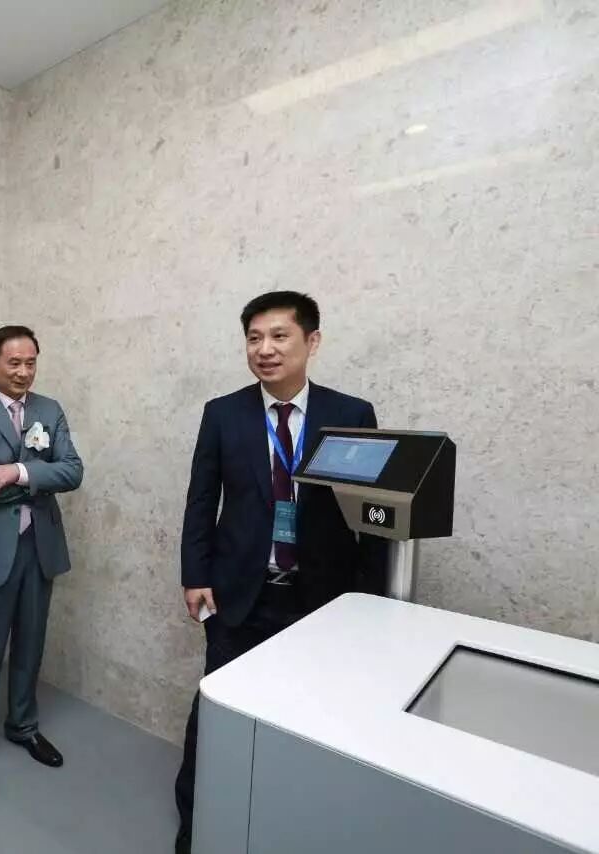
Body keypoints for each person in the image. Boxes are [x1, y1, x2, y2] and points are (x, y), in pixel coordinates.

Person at [173, 291, 383, 853]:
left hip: (322, 602)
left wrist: (370, 601)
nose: (264, 349)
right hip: (241, 595)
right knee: (214, 716)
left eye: (279, 336)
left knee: (309, 719)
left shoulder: (351, 415)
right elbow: (202, 500)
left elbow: (372, 517)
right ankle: (194, 827)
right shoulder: (223, 413)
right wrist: (195, 574)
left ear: (312, 341)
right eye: (254, 338)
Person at [0, 325, 84, 789]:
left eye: (31, 363)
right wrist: (38, 478)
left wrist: (17, 471)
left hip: (41, 543)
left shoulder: (50, 409)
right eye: (14, 363)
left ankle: (23, 726)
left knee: (31, 641)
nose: (24, 372)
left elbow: (73, 471)